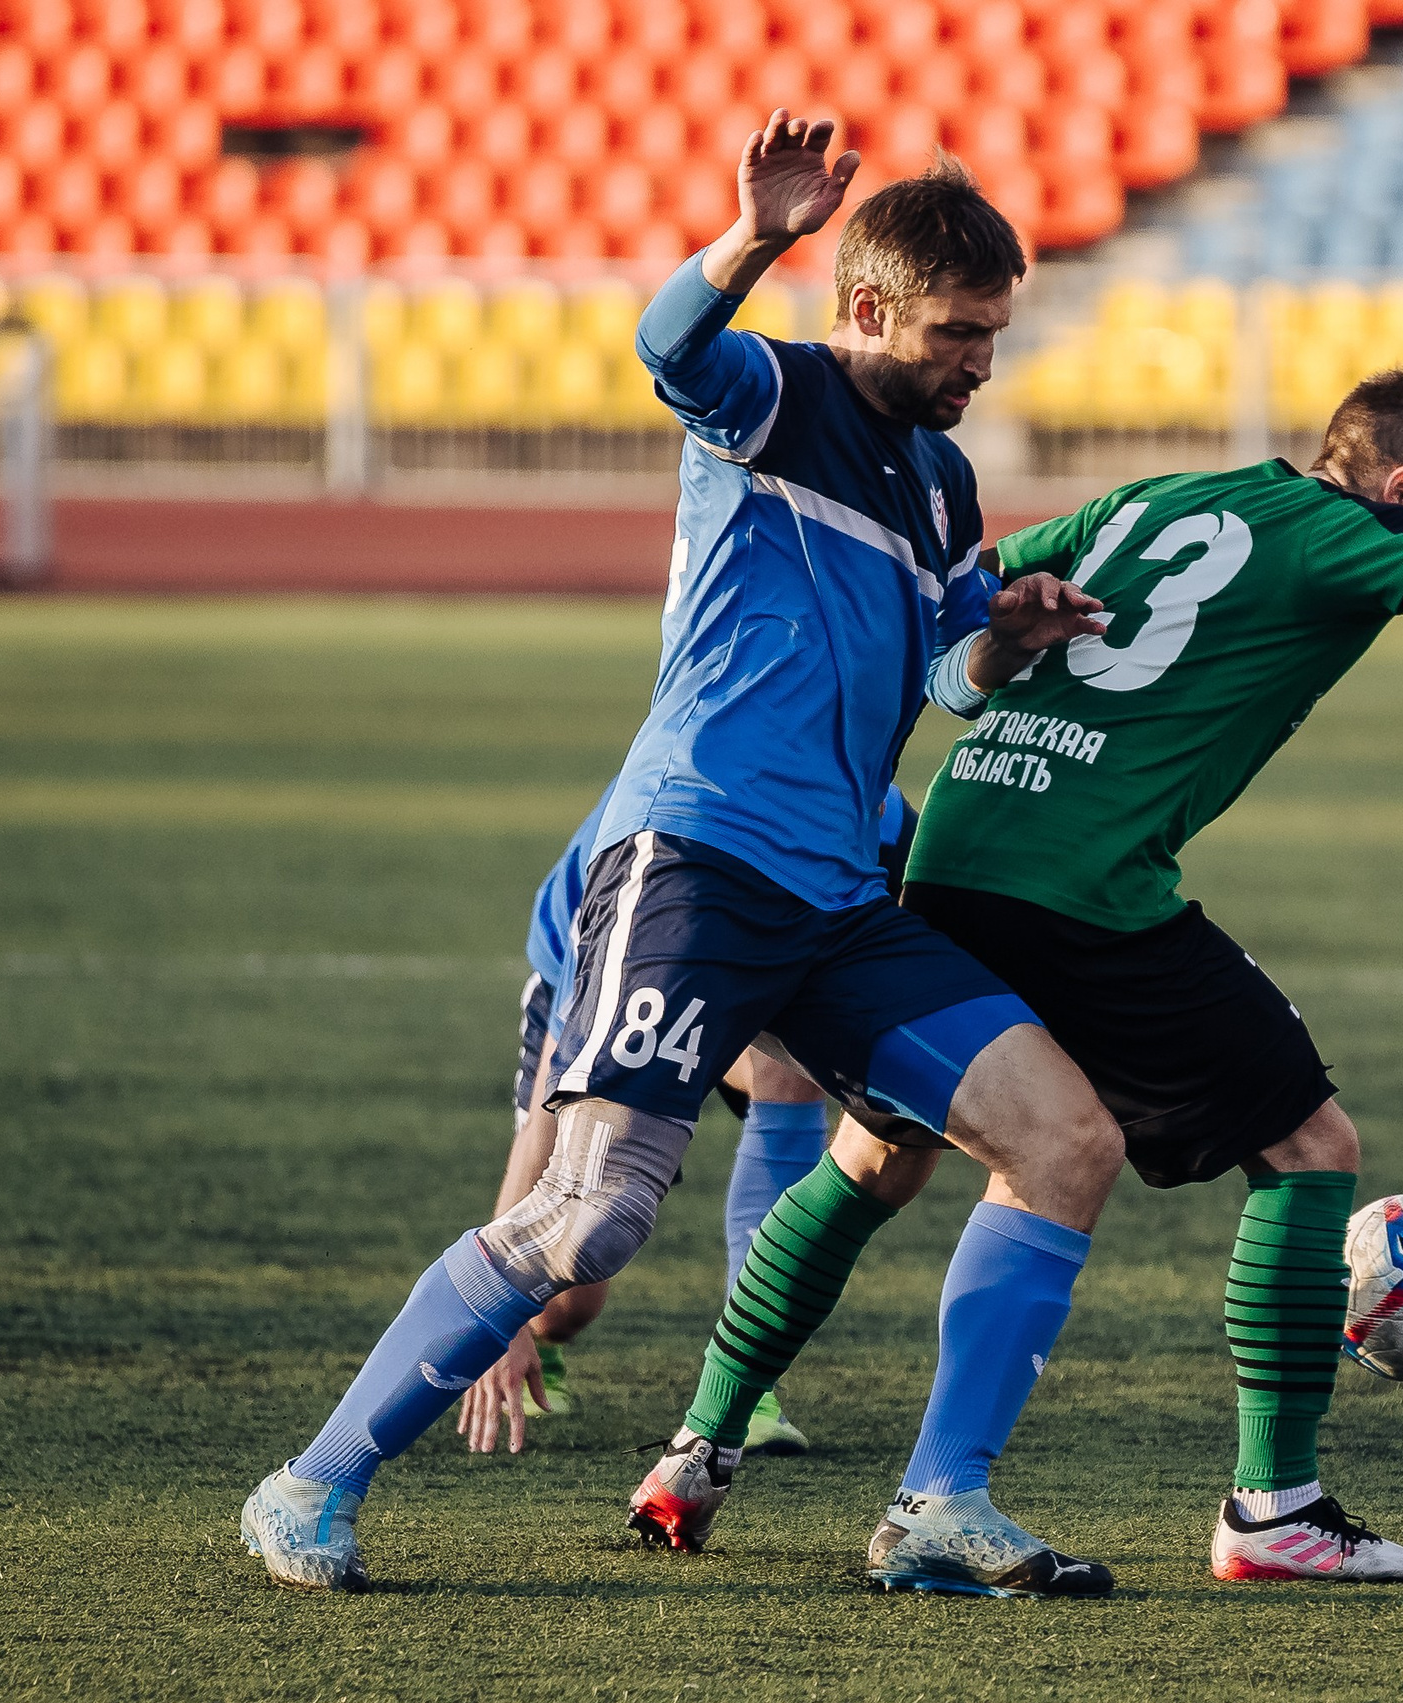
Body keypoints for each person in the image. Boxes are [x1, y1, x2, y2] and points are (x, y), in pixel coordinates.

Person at [654, 365, 1403, 1584]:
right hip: (1084, 887)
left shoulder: (1150, 501)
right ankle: (1275, 1509)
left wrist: (998, 642)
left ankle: (698, 1446)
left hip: (956, 856)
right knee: (1309, 1146)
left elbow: (961, 609)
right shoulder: (1345, 528)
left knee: (877, 1157)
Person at [240, 115, 1128, 1600]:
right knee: (588, 1215)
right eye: (961, 335)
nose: (985, 362)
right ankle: (310, 1482)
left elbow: (946, 677)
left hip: (841, 892)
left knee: (1067, 1141)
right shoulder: (773, 394)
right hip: (699, 855)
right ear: (866, 310)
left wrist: (1006, 638)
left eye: (996, 334)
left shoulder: (940, 485)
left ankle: (937, 1508)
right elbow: (666, 343)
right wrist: (753, 238)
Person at [453, 783, 923, 1457]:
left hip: (767, 980)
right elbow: (559, 1084)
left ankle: (748, 1389)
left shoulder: (875, 811)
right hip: (608, 988)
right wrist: (503, 1318)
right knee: (567, 1299)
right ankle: (538, 1334)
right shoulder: (660, 825)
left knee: (790, 1077)